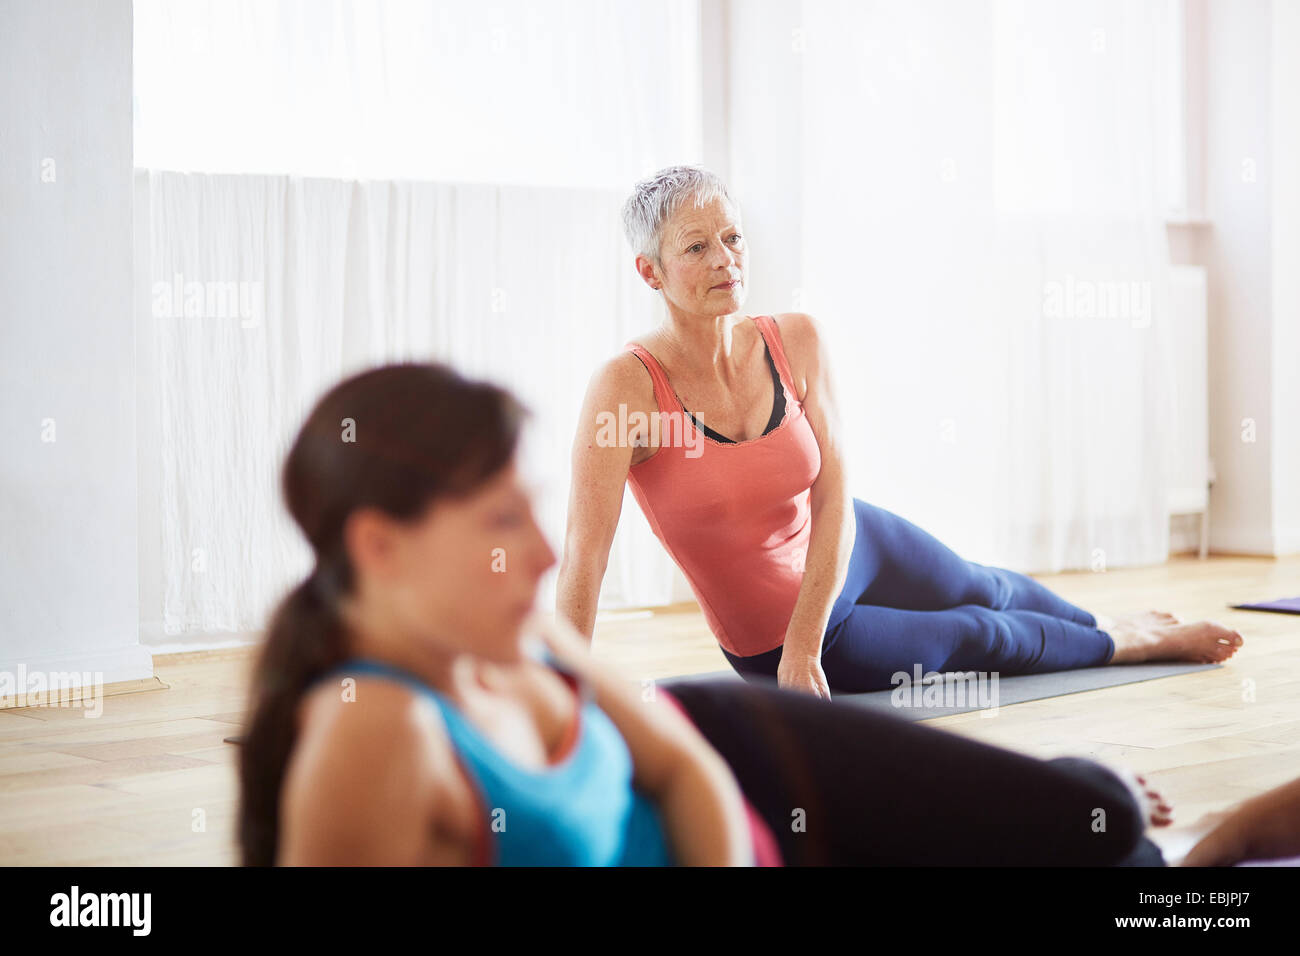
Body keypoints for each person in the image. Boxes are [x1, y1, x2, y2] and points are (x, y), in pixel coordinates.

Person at [238, 361, 1169, 866]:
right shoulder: (375, 739)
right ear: (377, 546)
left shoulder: (515, 631)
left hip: (744, 745)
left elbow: (685, 769)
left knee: (1091, 820)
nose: (544, 550)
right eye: (500, 520)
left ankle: (1092, 780)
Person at [556, 164, 1244, 698]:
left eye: (733, 238)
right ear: (649, 270)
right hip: (775, 634)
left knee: (985, 583)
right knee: (982, 633)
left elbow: (833, 490)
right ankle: (1134, 644)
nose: (726, 260)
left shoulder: (794, 339)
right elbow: (586, 553)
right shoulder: (628, 386)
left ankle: (1096, 623)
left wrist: (808, 635)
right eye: (697, 247)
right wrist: (564, 693)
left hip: (843, 541)